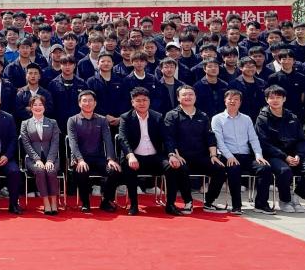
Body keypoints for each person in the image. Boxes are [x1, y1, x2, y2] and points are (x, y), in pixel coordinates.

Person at [116, 88, 187, 216]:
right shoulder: (126, 117)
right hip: (135, 156)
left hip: (155, 157)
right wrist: (130, 155)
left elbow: (167, 138)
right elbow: (122, 139)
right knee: (128, 166)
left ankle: (170, 205)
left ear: (149, 101)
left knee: (172, 167)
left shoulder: (157, 117)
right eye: (138, 101)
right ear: (132, 102)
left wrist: (171, 154)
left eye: (144, 100)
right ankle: (133, 205)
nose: (142, 103)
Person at [255, 86, 305, 213]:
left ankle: (296, 198)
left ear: (284, 99)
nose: (275, 100)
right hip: (273, 156)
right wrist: (284, 157)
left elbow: (301, 140)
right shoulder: (262, 119)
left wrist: (299, 155)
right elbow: (264, 143)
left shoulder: (292, 117)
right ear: (267, 100)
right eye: (271, 98)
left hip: (293, 155)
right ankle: (285, 200)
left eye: (278, 97)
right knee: (284, 171)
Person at [163, 85, 225, 212]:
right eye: (184, 95)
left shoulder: (203, 116)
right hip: (181, 156)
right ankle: (188, 201)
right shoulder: (172, 115)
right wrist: (175, 154)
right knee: (181, 168)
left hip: (200, 156)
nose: (188, 97)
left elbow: (210, 137)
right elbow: (169, 138)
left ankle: (209, 202)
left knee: (219, 169)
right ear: (178, 98)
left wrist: (213, 155)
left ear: (195, 97)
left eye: (191, 94)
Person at [212, 89, 273, 215]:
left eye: (236, 99)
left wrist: (258, 155)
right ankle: (236, 206)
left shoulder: (246, 119)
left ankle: (261, 204)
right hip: (227, 155)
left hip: (246, 155)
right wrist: (229, 156)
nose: (233, 101)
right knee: (234, 168)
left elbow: (253, 138)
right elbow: (219, 141)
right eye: (230, 99)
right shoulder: (217, 119)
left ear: (240, 102)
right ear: (225, 101)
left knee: (265, 168)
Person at [67, 90, 118, 213]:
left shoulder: (102, 120)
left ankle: (106, 201)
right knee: (81, 170)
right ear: (79, 103)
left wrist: (111, 159)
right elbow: (73, 143)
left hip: (99, 157)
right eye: (84, 101)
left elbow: (108, 140)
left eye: (90, 100)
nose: (87, 103)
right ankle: (85, 202)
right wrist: (80, 159)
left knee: (114, 170)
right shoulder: (72, 120)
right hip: (81, 158)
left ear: (95, 103)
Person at [19, 94, 60, 216]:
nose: (38, 107)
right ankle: (46, 201)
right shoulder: (25, 123)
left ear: (44, 107)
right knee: (40, 171)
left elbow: (55, 142)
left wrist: (50, 160)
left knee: (51, 171)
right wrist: (37, 159)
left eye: (40, 104)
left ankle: (54, 201)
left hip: (52, 158)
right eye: (35, 105)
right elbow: (26, 144)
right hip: (32, 159)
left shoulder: (52, 122)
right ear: (30, 107)